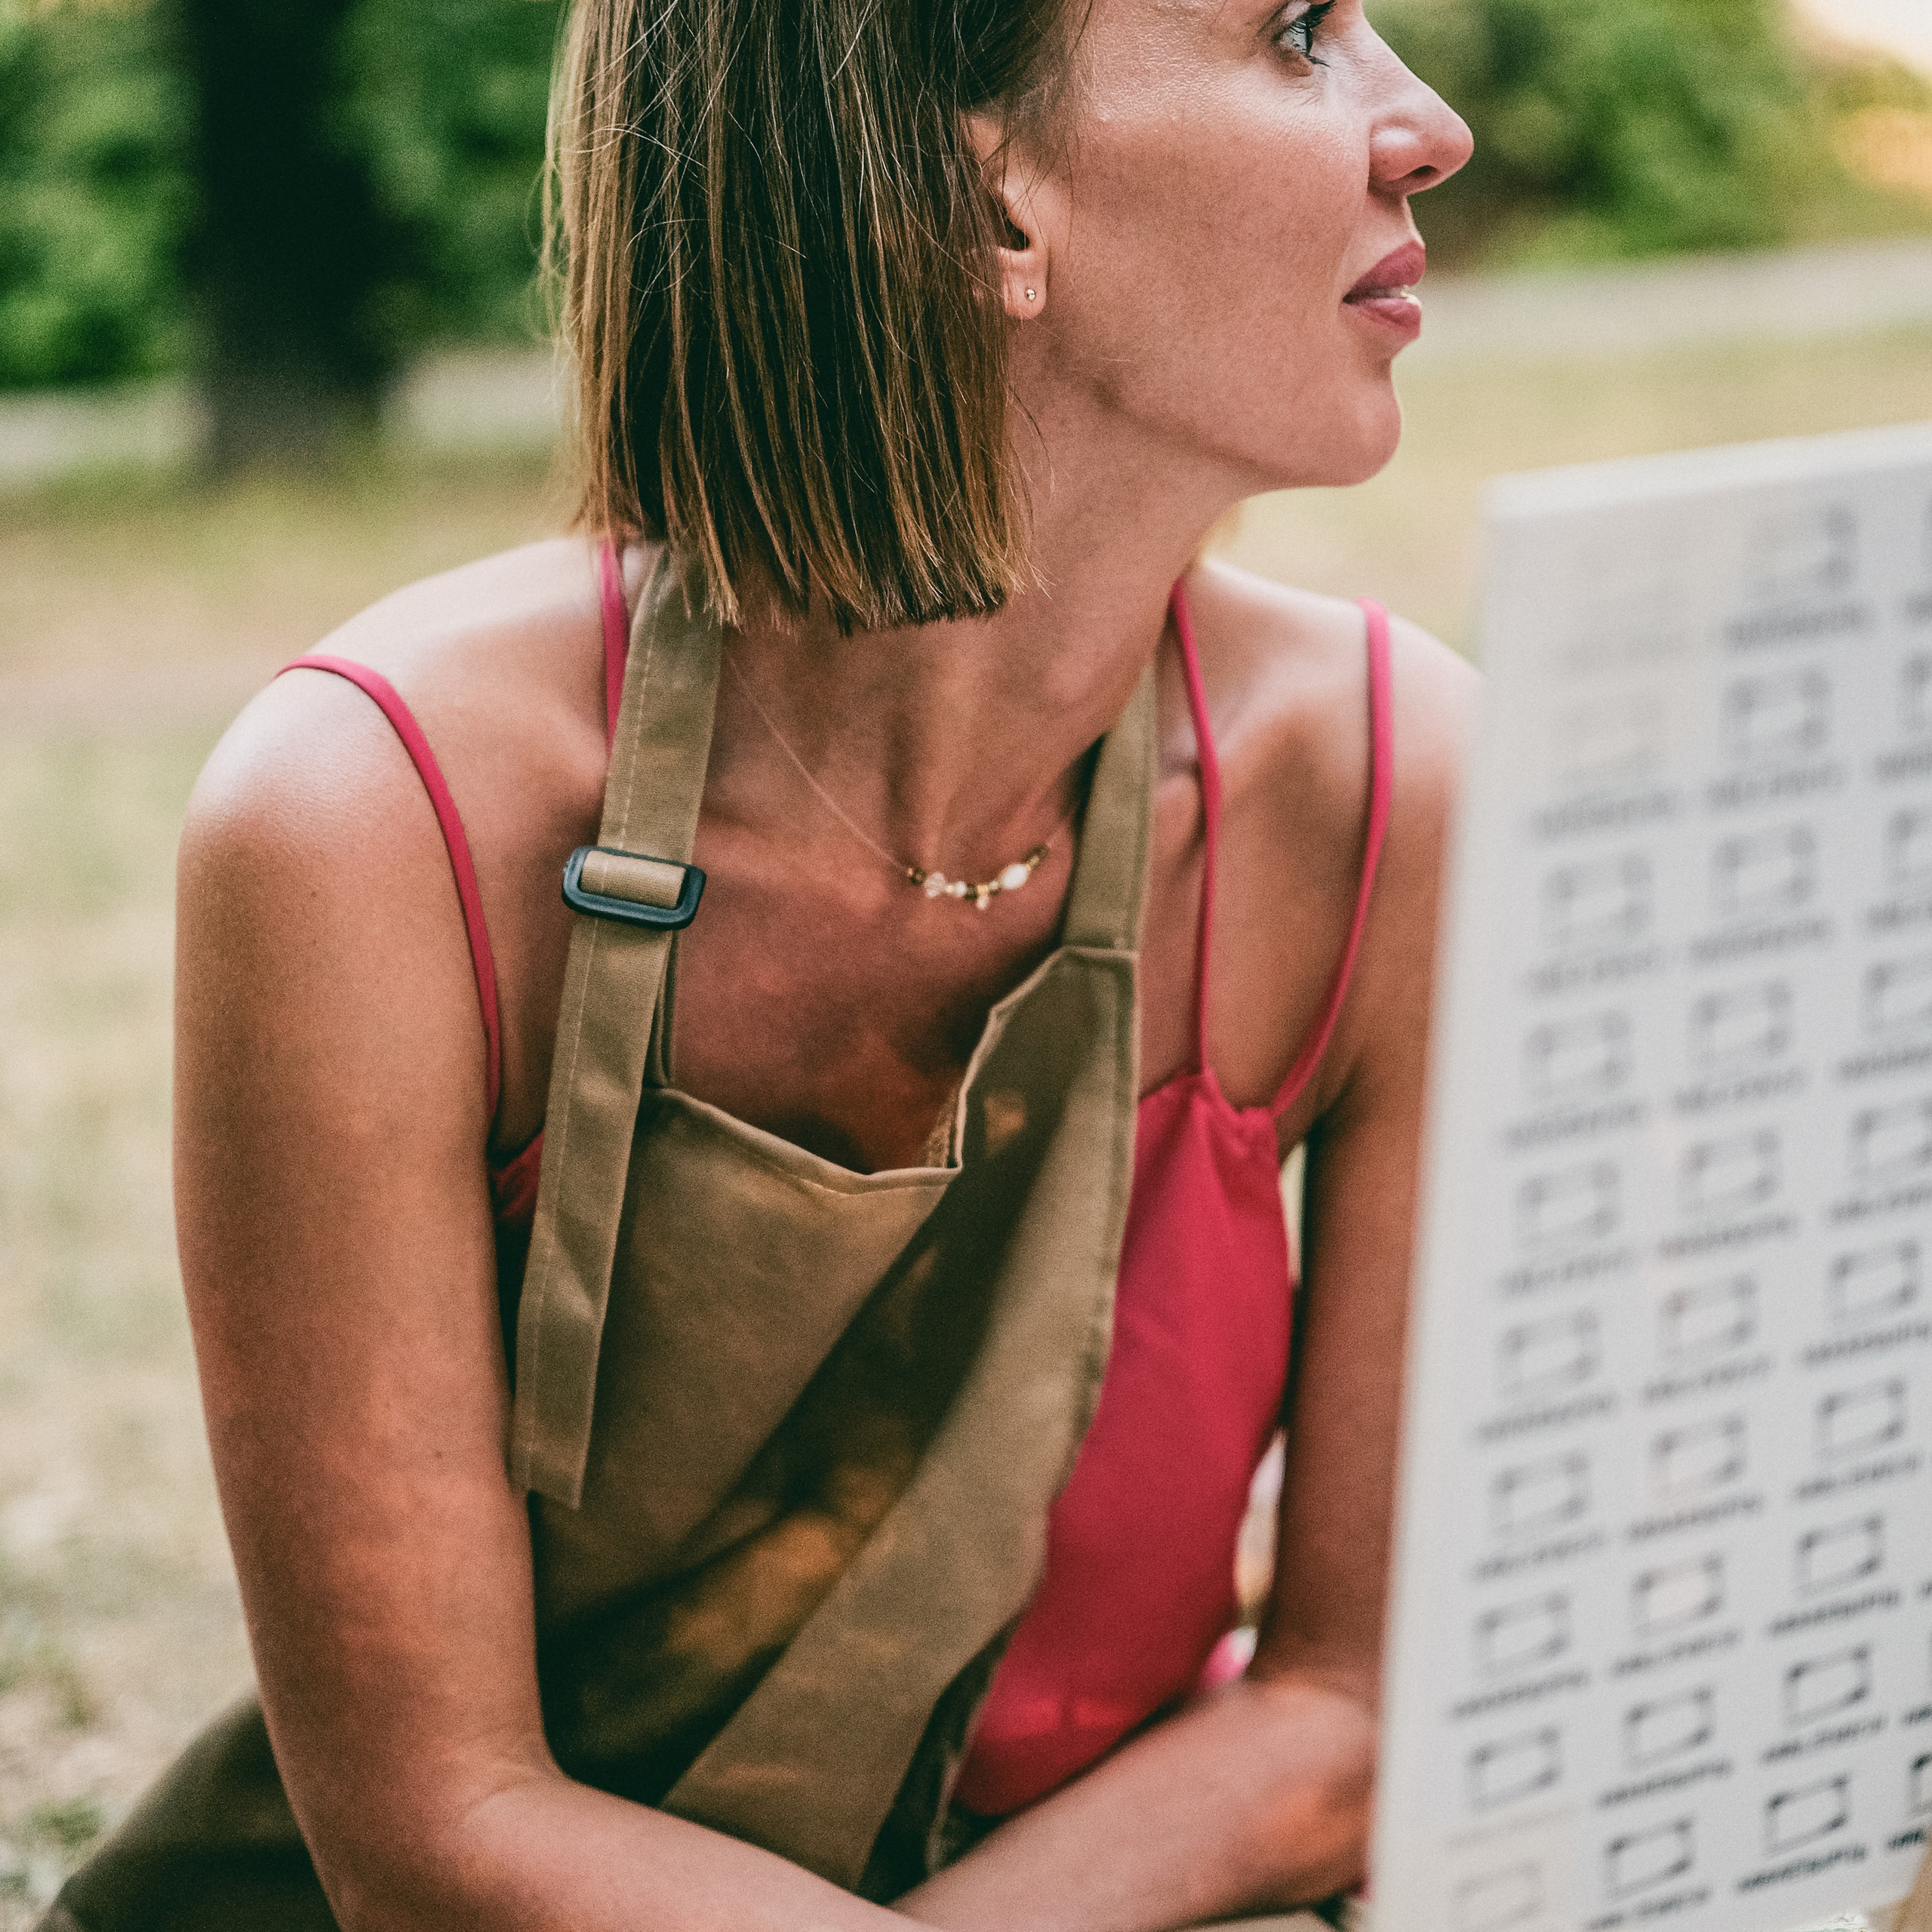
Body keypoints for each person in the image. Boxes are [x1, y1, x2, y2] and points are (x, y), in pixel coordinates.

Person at [43, 1, 1475, 1927]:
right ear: (987, 211)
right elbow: (439, 1825)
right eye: (1297, 34)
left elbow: (1347, 1707)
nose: (1430, 126)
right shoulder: (367, 818)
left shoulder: (1392, 792)